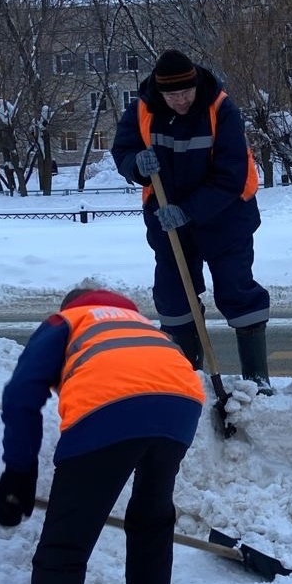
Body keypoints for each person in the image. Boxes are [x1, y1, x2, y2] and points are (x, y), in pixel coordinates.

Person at [0, 288, 206, 584]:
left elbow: (22, 393)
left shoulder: (66, 320)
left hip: (107, 409)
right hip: (181, 406)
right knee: (151, 519)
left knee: (66, 545)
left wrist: (19, 473)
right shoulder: (143, 325)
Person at [110, 49, 273, 394]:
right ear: (160, 91)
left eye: (185, 92)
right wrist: (136, 165)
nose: (180, 100)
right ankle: (189, 381)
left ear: (196, 84)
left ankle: (257, 381)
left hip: (226, 217)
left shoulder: (221, 108)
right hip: (167, 220)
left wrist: (189, 210)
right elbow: (122, 150)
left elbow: (231, 176)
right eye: (172, 95)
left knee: (237, 290)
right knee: (173, 298)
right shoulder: (142, 107)